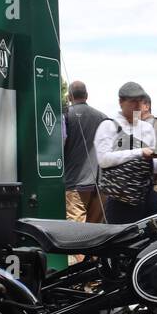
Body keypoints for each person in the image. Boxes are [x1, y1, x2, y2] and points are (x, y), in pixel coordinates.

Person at [95, 82, 157, 225]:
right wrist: (139, 152)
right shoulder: (108, 126)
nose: (137, 105)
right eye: (132, 101)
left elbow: (153, 166)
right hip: (120, 199)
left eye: (140, 100)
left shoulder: (148, 128)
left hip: (147, 196)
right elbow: (103, 160)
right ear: (121, 102)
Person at [63, 81, 108, 225]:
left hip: (75, 183)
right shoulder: (103, 117)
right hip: (100, 184)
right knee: (94, 233)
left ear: (69, 97)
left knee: (77, 234)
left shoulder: (65, 115)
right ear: (86, 96)